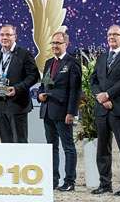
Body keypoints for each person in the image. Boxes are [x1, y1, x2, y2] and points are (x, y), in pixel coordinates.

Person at [37, 32, 81, 191]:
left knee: (68, 147)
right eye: (53, 43)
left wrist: (72, 112)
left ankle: (69, 181)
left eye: (58, 43)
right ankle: (53, 180)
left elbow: (75, 90)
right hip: (48, 111)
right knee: (51, 147)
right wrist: (39, 95)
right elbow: (44, 86)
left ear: (66, 44)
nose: (55, 46)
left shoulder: (72, 63)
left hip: (63, 112)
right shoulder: (49, 63)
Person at [90, 24, 120, 196]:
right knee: (103, 149)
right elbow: (93, 80)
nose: (112, 37)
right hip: (102, 109)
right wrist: (100, 96)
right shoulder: (102, 58)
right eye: (109, 34)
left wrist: (108, 95)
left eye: (116, 34)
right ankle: (104, 183)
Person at [0, 24, 40, 143]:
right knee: (6, 143)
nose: (4, 37)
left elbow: (34, 76)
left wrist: (17, 88)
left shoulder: (24, 54)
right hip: (0, 104)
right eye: (2, 35)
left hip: (17, 104)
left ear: (15, 37)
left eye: (8, 35)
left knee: (19, 142)